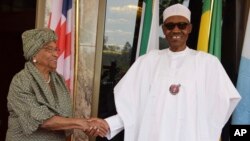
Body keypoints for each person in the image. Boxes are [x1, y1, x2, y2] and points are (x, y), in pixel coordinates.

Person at [89, 3, 241, 141]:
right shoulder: (147, 62)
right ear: (164, 30)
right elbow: (132, 109)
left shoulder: (208, 63)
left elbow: (224, 103)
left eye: (182, 25)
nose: (176, 30)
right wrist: (108, 124)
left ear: (189, 28)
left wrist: (204, 126)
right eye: (170, 25)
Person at [5, 28, 108, 141]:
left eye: (56, 49)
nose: (56, 54)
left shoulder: (59, 80)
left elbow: (65, 119)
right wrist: (82, 123)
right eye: (49, 49)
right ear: (33, 54)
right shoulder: (21, 81)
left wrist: (85, 125)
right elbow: (43, 121)